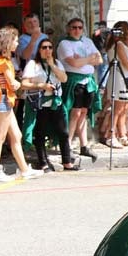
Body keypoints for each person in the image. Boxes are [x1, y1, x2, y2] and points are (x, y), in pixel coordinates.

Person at [0, 28, 43, 182]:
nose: (17, 43)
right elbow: (13, 84)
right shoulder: (3, 62)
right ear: (7, 43)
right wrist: (30, 82)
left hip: (1, 100)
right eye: (15, 41)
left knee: (16, 135)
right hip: (2, 100)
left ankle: (24, 170)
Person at [21, 38, 76, 171]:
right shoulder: (33, 64)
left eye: (50, 47)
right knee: (40, 134)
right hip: (40, 103)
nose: (47, 50)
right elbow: (24, 84)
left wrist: (52, 65)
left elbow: (64, 79)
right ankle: (43, 163)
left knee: (63, 132)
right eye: (44, 48)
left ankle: (67, 162)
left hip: (55, 103)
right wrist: (41, 85)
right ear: (39, 50)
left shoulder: (57, 63)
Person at [57, 17, 103, 162]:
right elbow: (74, 63)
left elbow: (100, 59)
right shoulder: (65, 43)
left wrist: (84, 59)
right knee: (74, 112)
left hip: (87, 80)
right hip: (74, 80)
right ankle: (67, 145)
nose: (77, 30)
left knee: (84, 112)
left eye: (79, 27)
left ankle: (84, 145)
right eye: (74, 27)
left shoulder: (87, 41)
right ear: (68, 29)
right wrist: (89, 59)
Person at [101, 22, 128, 148]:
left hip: (124, 77)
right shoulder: (118, 45)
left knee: (123, 108)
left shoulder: (119, 45)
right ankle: (111, 136)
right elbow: (126, 64)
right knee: (118, 108)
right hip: (119, 77)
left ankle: (122, 135)